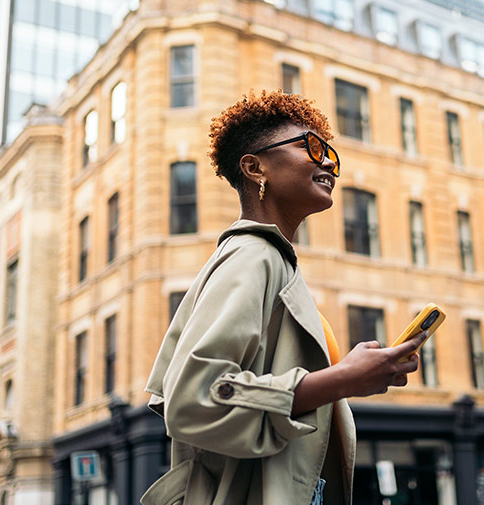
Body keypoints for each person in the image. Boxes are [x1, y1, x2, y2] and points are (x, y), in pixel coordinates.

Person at [142, 90, 428, 505]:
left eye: (330, 151)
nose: (328, 161)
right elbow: (193, 399)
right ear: (255, 167)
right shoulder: (252, 255)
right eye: (309, 146)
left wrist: (348, 374)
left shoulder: (274, 261)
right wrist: (344, 378)